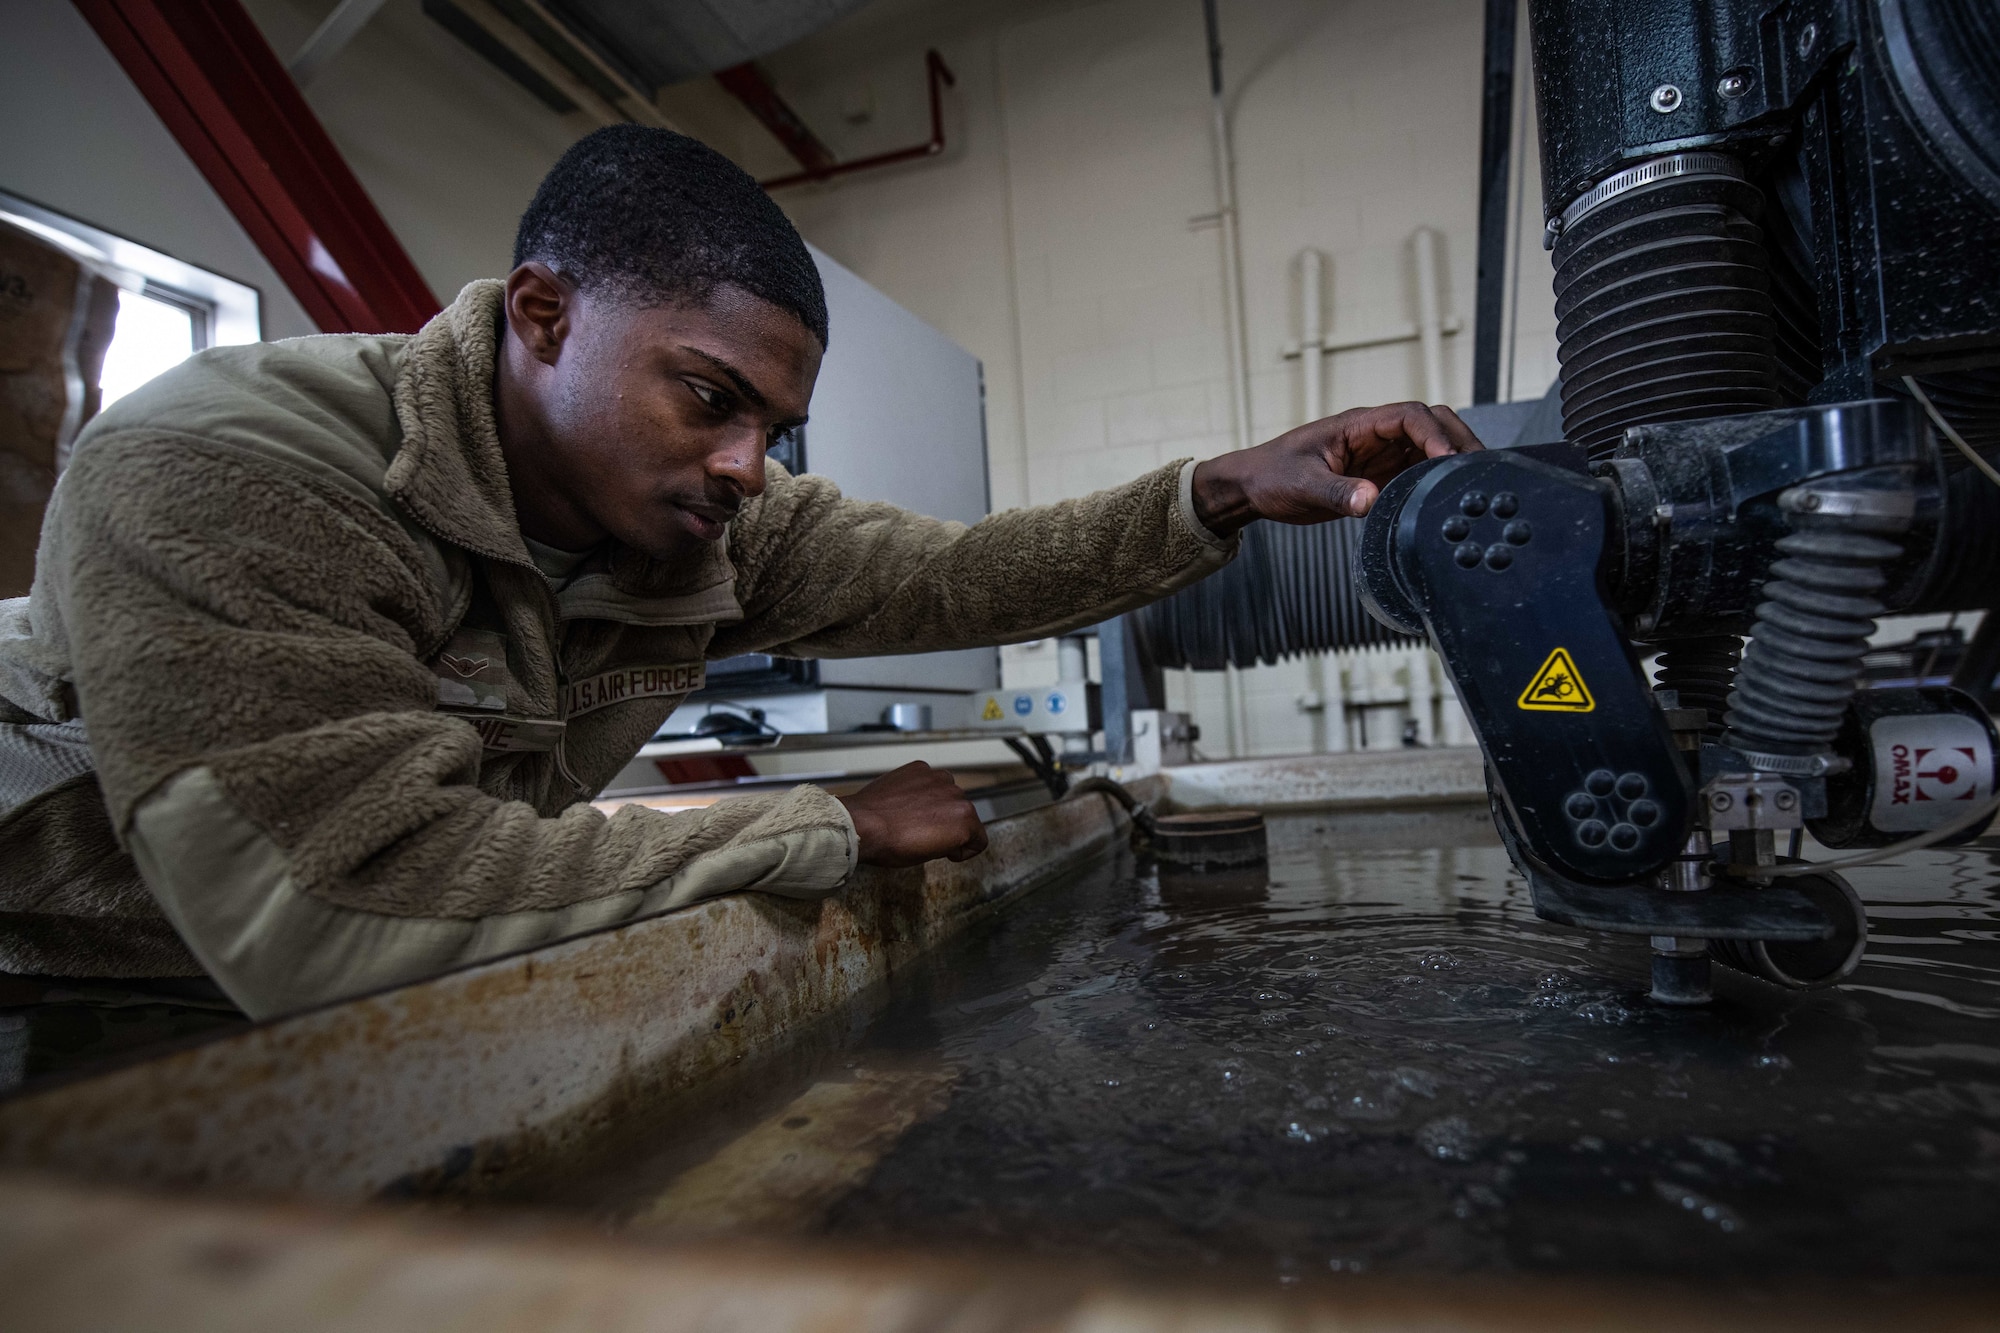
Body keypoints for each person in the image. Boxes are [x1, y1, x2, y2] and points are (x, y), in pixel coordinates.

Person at [0, 127, 1480, 1019]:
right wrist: (817, 821)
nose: (747, 465)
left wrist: (1217, 487)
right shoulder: (228, 471)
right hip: (72, 996)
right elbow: (338, 911)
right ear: (541, 314)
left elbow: (962, 575)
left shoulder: (687, 519)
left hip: (301, 979)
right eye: (712, 398)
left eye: (776, 426)